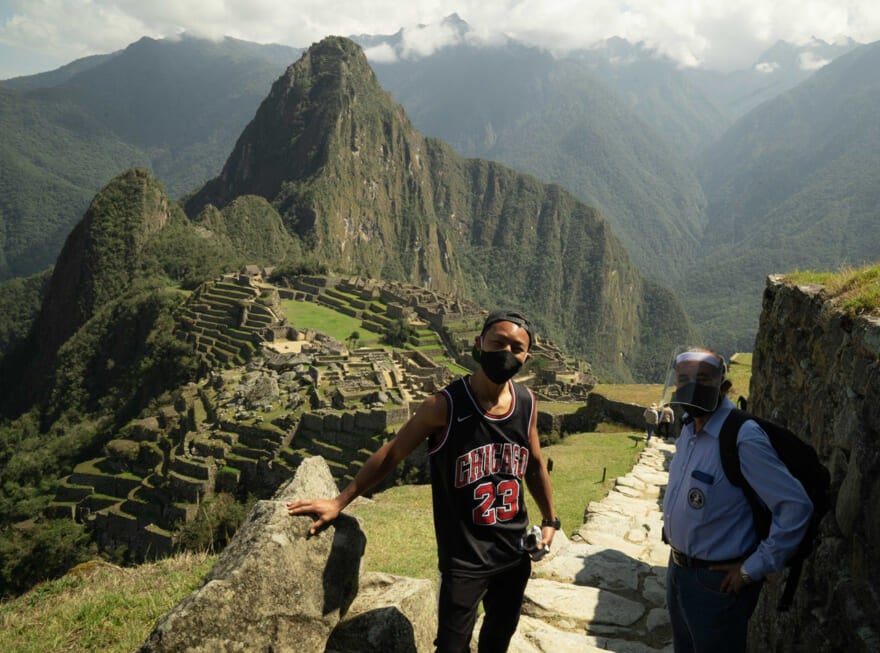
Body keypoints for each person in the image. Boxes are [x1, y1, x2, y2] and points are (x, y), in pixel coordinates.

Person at [287, 309, 558, 653]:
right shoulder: (444, 406)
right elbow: (391, 454)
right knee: (451, 645)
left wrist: (550, 521)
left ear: (527, 357)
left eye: (516, 348)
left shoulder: (526, 403)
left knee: (498, 636)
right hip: (464, 558)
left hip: (513, 551)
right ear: (479, 345)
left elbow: (534, 466)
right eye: (498, 342)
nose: (507, 353)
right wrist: (340, 502)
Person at [661, 348, 813, 653]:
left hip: (715, 583)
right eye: (684, 379)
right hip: (678, 570)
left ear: (724, 386)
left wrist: (751, 569)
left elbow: (795, 506)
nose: (691, 386)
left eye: (702, 379)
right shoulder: (689, 429)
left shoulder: (743, 438)